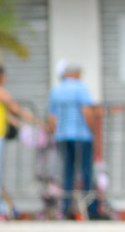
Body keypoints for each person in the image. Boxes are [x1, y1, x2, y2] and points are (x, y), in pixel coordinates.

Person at [47, 62, 100, 220]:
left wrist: (56, 133)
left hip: (62, 137)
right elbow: (87, 112)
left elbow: (52, 117)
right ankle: (90, 208)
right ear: (75, 74)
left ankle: (65, 208)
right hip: (81, 136)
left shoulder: (56, 90)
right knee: (85, 172)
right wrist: (93, 132)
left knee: (67, 172)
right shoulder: (80, 88)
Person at [0, 65, 37, 220]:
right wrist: (37, 122)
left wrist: (20, 126)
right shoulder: (1, 91)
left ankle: (6, 207)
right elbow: (16, 109)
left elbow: (8, 115)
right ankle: (4, 209)